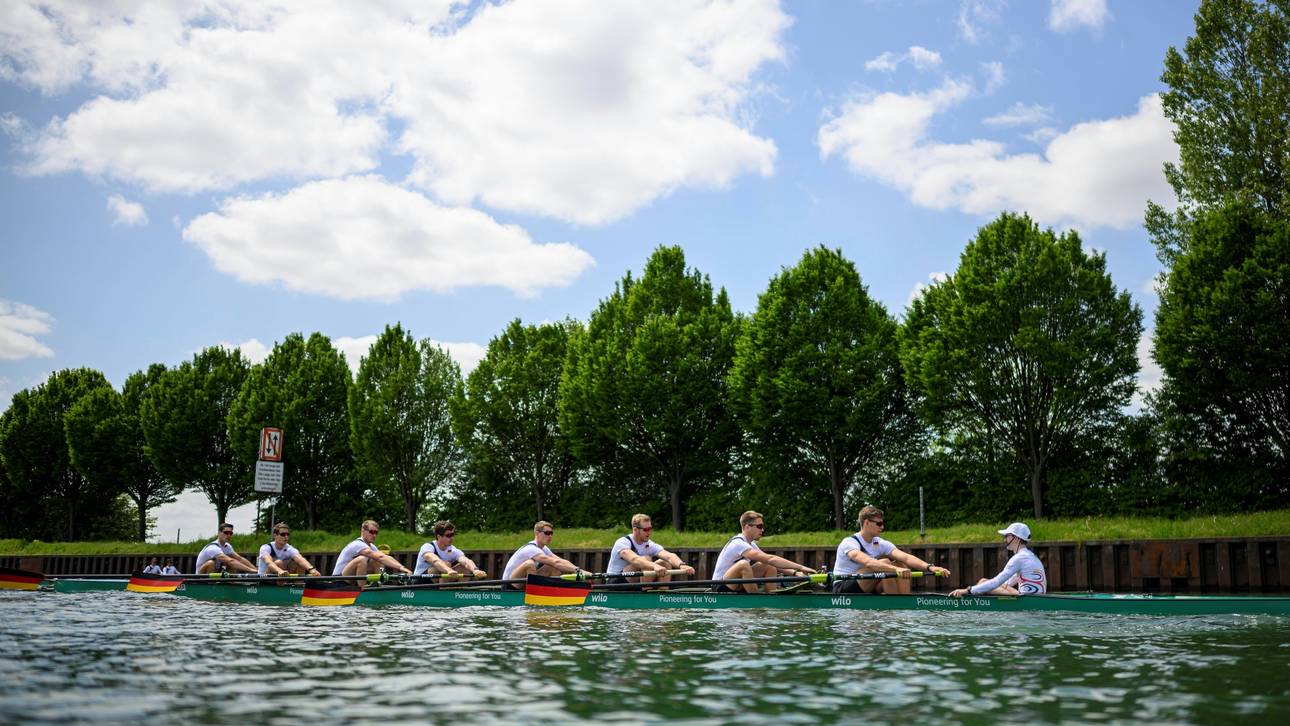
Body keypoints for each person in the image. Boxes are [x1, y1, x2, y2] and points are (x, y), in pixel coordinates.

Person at [832, 506, 950, 594]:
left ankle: (905, 605)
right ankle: (894, 605)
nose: (882, 527)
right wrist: (895, 569)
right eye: (879, 523)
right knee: (886, 563)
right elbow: (868, 562)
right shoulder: (849, 542)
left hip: (866, 583)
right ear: (866, 522)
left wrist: (930, 567)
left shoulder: (879, 542)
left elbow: (907, 557)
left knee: (901, 563)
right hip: (843, 586)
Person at [711, 511, 815, 593]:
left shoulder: (751, 544)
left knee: (769, 566)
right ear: (747, 527)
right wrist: (801, 567)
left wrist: (796, 573)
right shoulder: (738, 543)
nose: (762, 530)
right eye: (759, 526)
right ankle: (757, 601)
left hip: (736, 583)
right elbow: (771, 558)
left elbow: (771, 562)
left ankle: (772, 596)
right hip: (720, 585)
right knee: (743, 565)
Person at [950, 522, 1047, 598]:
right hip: (1033, 597)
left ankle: (972, 602)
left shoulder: (1019, 558)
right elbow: (1007, 583)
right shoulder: (1031, 556)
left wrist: (968, 590)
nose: (1004, 540)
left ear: (1016, 538)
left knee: (983, 583)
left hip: (1027, 599)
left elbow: (997, 582)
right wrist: (982, 588)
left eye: (1007, 536)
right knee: (984, 582)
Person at [606, 514, 695, 584]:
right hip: (615, 581)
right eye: (646, 529)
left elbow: (669, 556)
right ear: (635, 530)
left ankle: (661, 596)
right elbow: (634, 559)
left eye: (650, 529)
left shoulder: (649, 544)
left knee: (664, 563)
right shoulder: (622, 542)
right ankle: (646, 596)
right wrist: (654, 566)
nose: (649, 532)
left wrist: (682, 565)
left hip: (634, 581)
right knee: (646, 560)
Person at [501, 521, 582, 586]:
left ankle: (553, 592)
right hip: (509, 584)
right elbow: (556, 562)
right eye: (547, 533)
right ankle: (536, 593)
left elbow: (560, 561)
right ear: (537, 533)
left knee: (554, 567)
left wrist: (580, 571)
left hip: (524, 583)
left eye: (551, 533)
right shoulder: (531, 548)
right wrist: (578, 571)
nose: (550, 536)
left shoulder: (544, 548)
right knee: (529, 564)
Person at [333, 520, 412, 577]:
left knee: (379, 561)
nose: (374, 535)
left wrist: (403, 568)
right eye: (371, 532)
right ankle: (363, 590)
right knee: (362, 559)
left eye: (376, 532)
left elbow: (385, 558)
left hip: (351, 579)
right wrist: (401, 568)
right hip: (339, 579)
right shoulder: (357, 544)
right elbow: (380, 557)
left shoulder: (372, 547)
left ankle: (378, 583)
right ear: (363, 531)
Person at [414, 520, 486, 578]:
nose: (452, 538)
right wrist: (448, 570)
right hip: (419, 581)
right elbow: (435, 561)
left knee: (464, 567)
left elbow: (466, 561)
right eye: (448, 535)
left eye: (452, 535)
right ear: (439, 537)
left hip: (437, 581)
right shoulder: (427, 547)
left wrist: (475, 570)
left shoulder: (452, 550)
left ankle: (458, 593)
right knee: (446, 564)